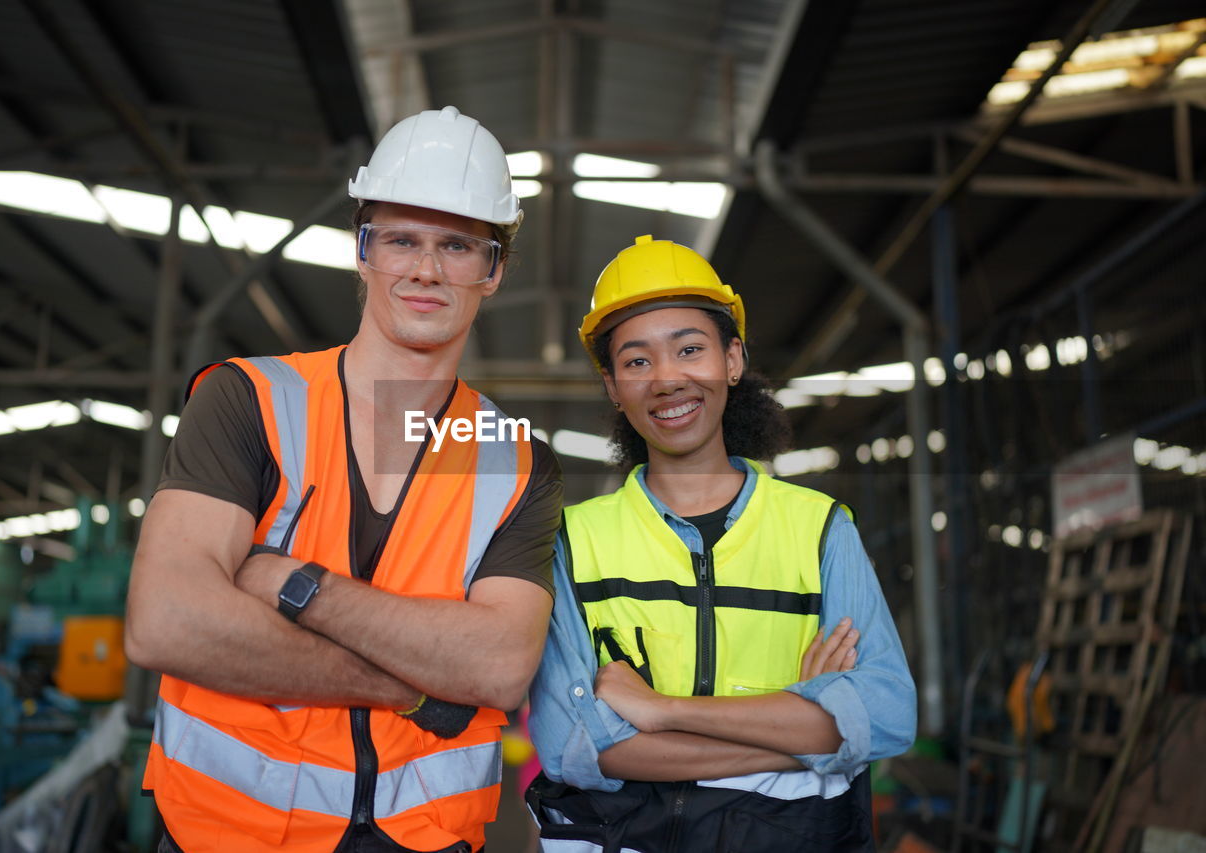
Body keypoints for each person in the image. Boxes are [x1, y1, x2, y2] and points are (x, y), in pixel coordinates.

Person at [125, 106, 562, 853]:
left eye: (458, 245)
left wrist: (299, 586)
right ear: (363, 251)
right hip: (227, 833)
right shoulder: (249, 400)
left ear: (493, 269)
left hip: (424, 838)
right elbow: (167, 619)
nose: (426, 269)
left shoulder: (511, 455)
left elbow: (498, 665)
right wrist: (413, 686)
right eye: (401, 240)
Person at [525, 236, 916, 851]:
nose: (667, 380)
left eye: (689, 349)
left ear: (732, 360)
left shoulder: (819, 529)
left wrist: (661, 712)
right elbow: (573, 745)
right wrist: (806, 728)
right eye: (637, 362)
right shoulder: (571, 541)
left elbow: (888, 718)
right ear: (612, 386)